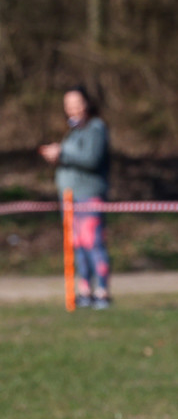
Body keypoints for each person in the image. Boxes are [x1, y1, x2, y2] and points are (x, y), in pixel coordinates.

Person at [39, 85, 112, 309]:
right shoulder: (73, 131)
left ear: (87, 103)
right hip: (69, 198)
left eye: (76, 103)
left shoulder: (96, 128)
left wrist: (62, 153)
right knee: (77, 246)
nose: (72, 109)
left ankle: (102, 292)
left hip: (88, 196)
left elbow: (90, 158)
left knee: (93, 243)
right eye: (68, 104)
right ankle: (85, 292)